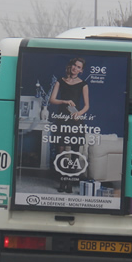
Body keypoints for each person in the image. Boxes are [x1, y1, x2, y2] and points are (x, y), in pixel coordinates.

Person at [48, 57, 90, 193]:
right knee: (60, 150)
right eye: (74, 65)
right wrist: (65, 101)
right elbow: (52, 100)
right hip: (62, 118)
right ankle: (62, 180)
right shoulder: (60, 81)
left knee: (74, 151)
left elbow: (87, 106)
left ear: (81, 71)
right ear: (70, 66)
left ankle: (70, 182)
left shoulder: (83, 84)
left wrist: (79, 114)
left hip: (75, 119)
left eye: (79, 67)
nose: (75, 68)